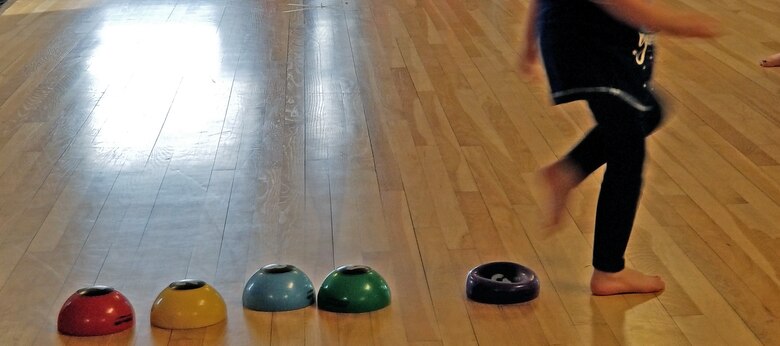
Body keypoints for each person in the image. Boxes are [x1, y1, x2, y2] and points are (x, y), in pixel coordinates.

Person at [520, 0, 720, 295]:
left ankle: (569, 169)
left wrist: (529, 44)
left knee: (649, 111)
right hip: (593, 47)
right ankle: (609, 271)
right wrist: (677, 23)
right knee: (628, 154)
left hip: (593, 42)